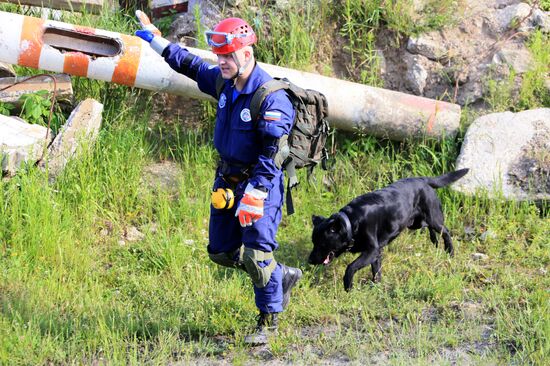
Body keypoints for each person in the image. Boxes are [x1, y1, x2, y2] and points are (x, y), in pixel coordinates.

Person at [135, 14, 302, 344]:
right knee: (221, 252)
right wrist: (157, 40)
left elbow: (274, 152)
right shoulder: (224, 81)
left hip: (259, 184)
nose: (221, 62)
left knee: (257, 255)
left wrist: (257, 192)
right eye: (219, 56)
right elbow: (190, 65)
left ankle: (268, 322)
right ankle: (278, 275)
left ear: (247, 54)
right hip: (227, 181)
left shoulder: (271, 97)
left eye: (227, 56)